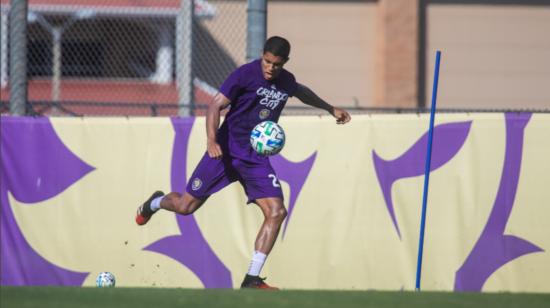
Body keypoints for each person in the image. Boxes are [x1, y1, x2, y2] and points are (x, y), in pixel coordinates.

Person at [136, 36, 351, 290]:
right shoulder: (244, 75)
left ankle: (252, 278)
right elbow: (215, 105)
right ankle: (154, 202)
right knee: (185, 206)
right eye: (267, 61)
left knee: (277, 212)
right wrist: (211, 141)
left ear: (285, 63)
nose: (271, 68)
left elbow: (301, 91)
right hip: (224, 152)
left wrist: (329, 108)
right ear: (262, 55)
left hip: (255, 159)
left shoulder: (285, 81)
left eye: (277, 64)